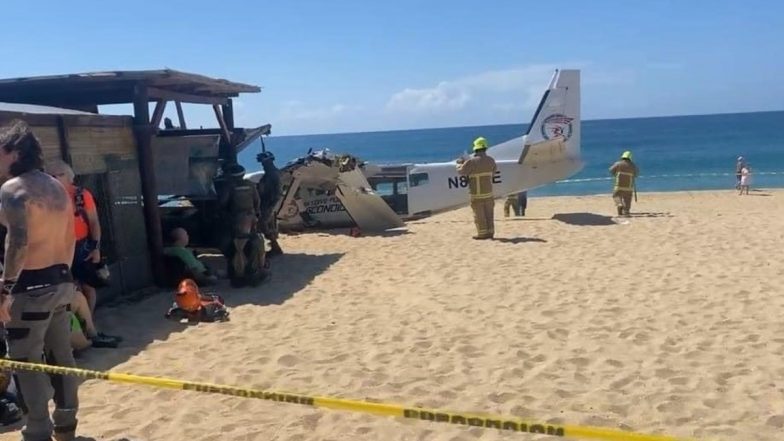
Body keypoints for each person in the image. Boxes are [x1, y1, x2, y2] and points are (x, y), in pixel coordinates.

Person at [0, 120, 80, 441]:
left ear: (15, 153)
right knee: (62, 358)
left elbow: (17, 242)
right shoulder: (54, 185)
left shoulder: (13, 188)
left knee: (25, 361)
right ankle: (66, 425)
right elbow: (70, 237)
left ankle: (37, 431)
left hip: (29, 286)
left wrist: (5, 288)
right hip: (61, 279)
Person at [46, 160, 103, 314]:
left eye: (60, 174)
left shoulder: (81, 195)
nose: (56, 178)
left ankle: (89, 321)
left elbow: (94, 222)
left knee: (88, 286)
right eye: (51, 175)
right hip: (58, 249)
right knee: (69, 288)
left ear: (70, 176)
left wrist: (96, 248)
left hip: (81, 246)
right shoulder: (45, 198)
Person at [457, 137, 497, 240]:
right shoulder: (491, 160)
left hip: (476, 194)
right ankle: (490, 232)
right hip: (489, 193)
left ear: (475, 149)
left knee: (479, 216)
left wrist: (459, 164)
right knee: (489, 214)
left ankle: (482, 234)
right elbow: (493, 171)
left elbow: (461, 171)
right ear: (485, 148)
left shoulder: (472, 162)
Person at [256, 152, 283, 256]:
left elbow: (272, 191)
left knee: (262, 223)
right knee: (266, 224)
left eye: (264, 162)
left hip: (269, 202)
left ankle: (275, 246)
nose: (263, 165)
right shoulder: (272, 172)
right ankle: (274, 245)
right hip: (269, 202)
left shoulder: (272, 174)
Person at [609, 150, 639, 217]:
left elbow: (611, 170)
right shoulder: (633, 165)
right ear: (630, 158)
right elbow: (636, 174)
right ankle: (626, 212)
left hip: (618, 185)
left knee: (616, 196)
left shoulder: (618, 164)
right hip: (628, 186)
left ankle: (619, 204)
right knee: (627, 199)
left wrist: (616, 174)